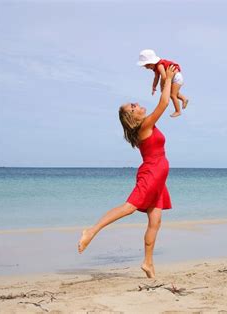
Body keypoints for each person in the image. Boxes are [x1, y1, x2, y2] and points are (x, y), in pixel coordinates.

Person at [77, 65, 178, 279]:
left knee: (155, 221)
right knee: (129, 208)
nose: (138, 105)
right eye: (134, 106)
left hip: (159, 178)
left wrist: (163, 77)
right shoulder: (144, 127)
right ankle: (91, 231)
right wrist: (168, 78)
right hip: (151, 174)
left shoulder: (147, 125)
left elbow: (163, 95)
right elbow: (164, 102)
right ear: (132, 116)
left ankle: (148, 263)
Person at [138, 49, 189, 118]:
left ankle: (178, 111)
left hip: (176, 77)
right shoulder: (156, 68)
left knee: (172, 95)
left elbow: (164, 76)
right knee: (174, 93)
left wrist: (162, 86)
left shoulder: (159, 65)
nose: (147, 68)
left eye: (147, 66)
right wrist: (154, 86)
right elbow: (156, 77)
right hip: (173, 77)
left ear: (152, 62)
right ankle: (184, 99)